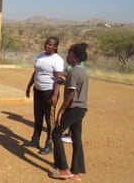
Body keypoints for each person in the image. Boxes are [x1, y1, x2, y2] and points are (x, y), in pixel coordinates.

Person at [50, 43, 89, 182]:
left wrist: (61, 111)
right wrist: (63, 81)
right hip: (81, 109)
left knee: (56, 133)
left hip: (73, 108)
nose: (67, 56)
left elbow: (71, 93)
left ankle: (63, 169)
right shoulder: (81, 72)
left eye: (69, 54)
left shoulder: (73, 71)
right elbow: (74, 87)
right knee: (76, 138)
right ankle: (75, 171)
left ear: (75, 56)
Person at [25, 37, 64, 155]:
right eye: (46, 43)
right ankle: (35, 140)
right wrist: (29, 85)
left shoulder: (57, 60)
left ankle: (49, 144)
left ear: (55, 47)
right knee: (38, 117)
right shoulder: (40, 56)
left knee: (49, 120)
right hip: (38, 90)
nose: (47, 46)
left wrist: (55, 95)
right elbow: (36, 72)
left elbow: (59, 78)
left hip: (49, 92)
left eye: (50, 44)